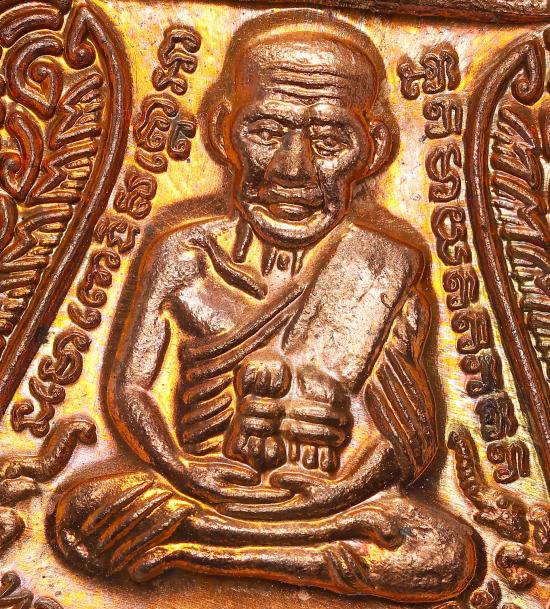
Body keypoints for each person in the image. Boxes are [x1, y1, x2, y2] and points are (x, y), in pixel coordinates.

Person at [52, 11, 477, 603]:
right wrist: (181, 469)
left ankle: (206, 552)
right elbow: (131, 389)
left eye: (329, 141)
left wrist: (341, 490)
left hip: (331, 503)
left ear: (374, 146)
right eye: (266, 131)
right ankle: (275, 551)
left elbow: (409, 436)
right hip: (195, 488)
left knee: (445, 554)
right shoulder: (183, 253)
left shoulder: (383, 264)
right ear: (222, 128)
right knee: (81, 515)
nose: (292, 169)